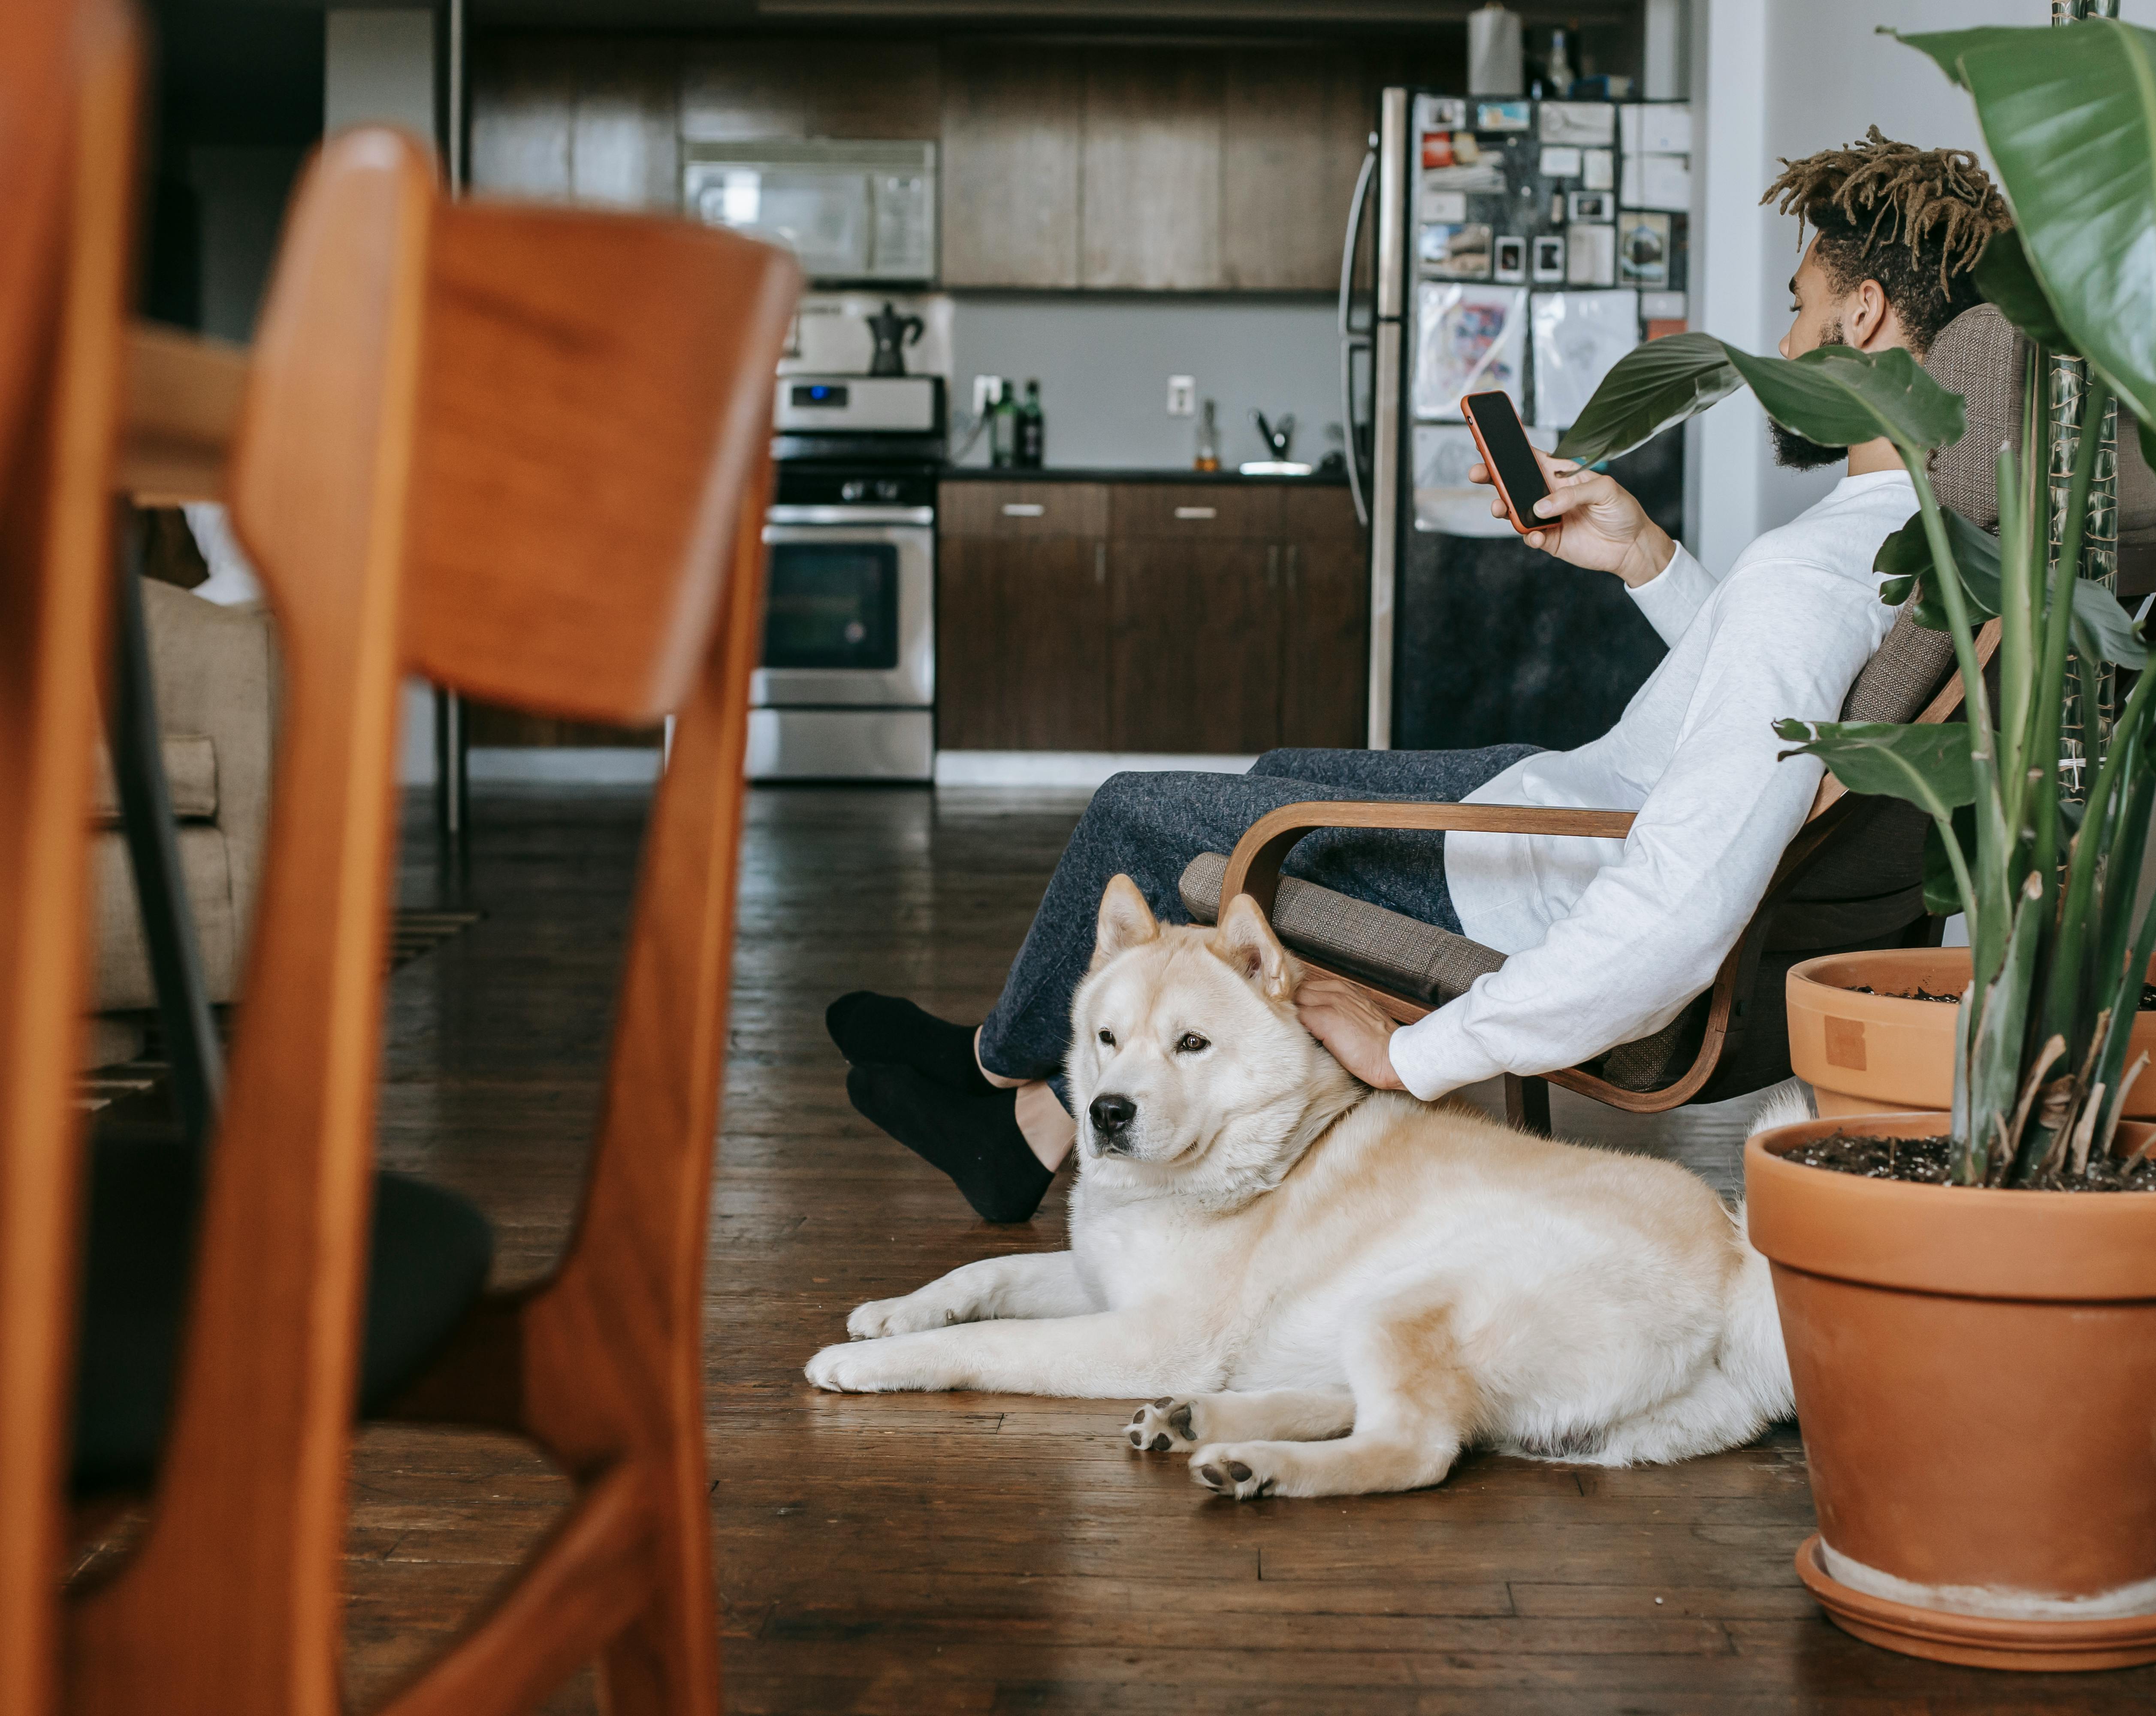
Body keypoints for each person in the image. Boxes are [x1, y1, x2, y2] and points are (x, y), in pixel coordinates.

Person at [828, 130, 2012, 1223]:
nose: (1783, 342)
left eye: (1800, 308)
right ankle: (1023, 1088)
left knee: (1138, 812)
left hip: (1540, 874)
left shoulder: (1813, 576)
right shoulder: (1906, 537)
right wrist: (1646, 558)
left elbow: (1679, 905)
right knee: (1281, 775)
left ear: (1862, 315)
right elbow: (1773, 719)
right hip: (1555, 803)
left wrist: (1418, 1052)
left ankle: (1001, 1086)